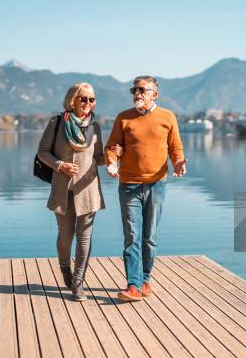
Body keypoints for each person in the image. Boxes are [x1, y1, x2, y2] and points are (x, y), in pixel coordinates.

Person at [105, 75, 187, 302]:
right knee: (132, 236)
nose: (136, 94)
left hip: (157, 184)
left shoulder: (167, 117)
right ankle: (133, 285)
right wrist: (112, 162)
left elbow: (175, 147)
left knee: (149, 237)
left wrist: (179, 162)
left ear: (154, 93)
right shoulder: (123, 118)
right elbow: (113, 146)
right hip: (129, 185)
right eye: (133, 90)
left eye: (141, 89)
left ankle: (145, 279)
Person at [37, 82, 113, 301]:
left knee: (84, 237)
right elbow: (42, 152)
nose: (88, 103)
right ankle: (64, 268)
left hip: (88, 189)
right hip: (62, 188)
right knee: (65, 236)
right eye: (84, 98)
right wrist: (60, 165)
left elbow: (97, 158)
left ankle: (78, 282)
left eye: (92, 99)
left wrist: (111, 156)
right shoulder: (57, 122)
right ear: (72, 100)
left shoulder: (95, 127)